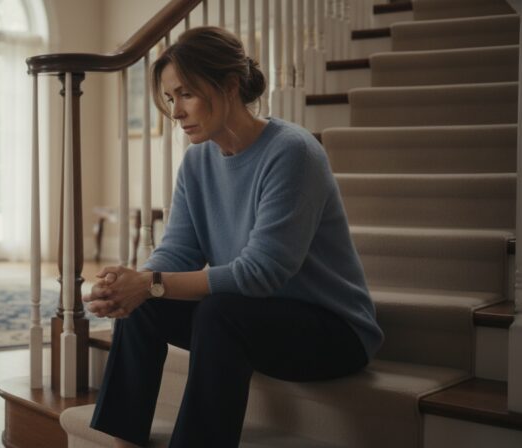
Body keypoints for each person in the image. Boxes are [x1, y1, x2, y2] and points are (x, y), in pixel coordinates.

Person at [83, 26, 383, 448]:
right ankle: (120, 440)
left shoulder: (292, 152)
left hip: (332, 331)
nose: (176, 111)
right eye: (170, 98)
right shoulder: (196, 162)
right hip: (255, 319)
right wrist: (132, 286)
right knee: (146, 306)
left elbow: (261, 273)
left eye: (186, 93)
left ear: (229, 85)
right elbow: (180, 250)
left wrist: (148, 284)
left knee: (215, 311)